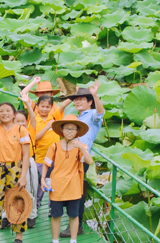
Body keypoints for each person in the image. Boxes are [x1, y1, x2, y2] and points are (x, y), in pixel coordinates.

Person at [20, 77, 73, 215]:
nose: (44, 109)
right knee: (39, 184)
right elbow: (35, 138)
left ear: (51, 107)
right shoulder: (34, 120)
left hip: (55, 156)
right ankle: (35, 206)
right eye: (42, 106)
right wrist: (47, 127)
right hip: (40, 157)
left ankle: (52, 207)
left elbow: (63, 106)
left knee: (51, 181)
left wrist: (75, 95)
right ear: (37, 106)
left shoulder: (54, 116)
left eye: (47, 107)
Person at [0, 80, 30, 243]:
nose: (4, 113)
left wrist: (23, 175)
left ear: (14, 114)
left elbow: (26, 155)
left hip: (15, 168)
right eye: (1, 111)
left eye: (8, 111)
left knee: (18, 200)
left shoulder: (21, 129)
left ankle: (18, 236)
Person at [58, 80, 104, 237]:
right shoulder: (78, 116)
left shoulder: (92, 115)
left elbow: (100, 113)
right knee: (70, 191)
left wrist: (96, 96)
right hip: (68, 158)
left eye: (82, 99)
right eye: (76, 99)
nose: (77, 101)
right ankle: (73, 223)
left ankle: (76, 227)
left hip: (81, 160)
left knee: (76, 193)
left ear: (89, 102)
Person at [42, 115, 93, 243]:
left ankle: (73, 240)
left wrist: (80, 147)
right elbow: (46, 163)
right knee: (56, 215)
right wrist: (43, 178)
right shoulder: (55, 146)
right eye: (67, 129)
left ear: (77, 131)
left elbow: (90, 161)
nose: (69, 132)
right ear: (62, 130)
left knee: (73, 215)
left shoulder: (81, 147)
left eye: (72, 129)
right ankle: (55, 240)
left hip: (74, 187)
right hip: (57, 186)